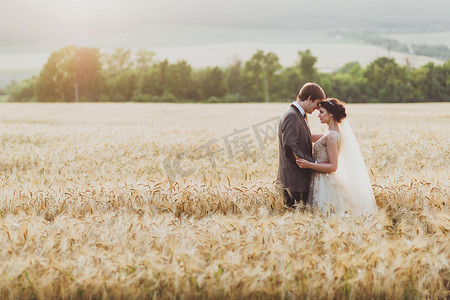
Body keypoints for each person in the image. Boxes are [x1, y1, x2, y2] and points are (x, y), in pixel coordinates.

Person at [296, 98, 377, 216]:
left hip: (324, 181)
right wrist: (302, 118)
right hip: (320, 179)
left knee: (324, 215)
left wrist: (309, 165)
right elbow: (309, 136)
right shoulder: (331, 134)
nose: (318, 115)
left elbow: (333, 166)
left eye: (321, 112)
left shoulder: (331, 137)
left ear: (331, 114)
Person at [277, 82, 326, 207]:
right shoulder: (292, 116)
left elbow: (302, 140)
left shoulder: (298, 115)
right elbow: (290, 148)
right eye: (317, 104)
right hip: (293, 183)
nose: (316, 108)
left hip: (297, 182)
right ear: (309, 99)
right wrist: (314, 164)